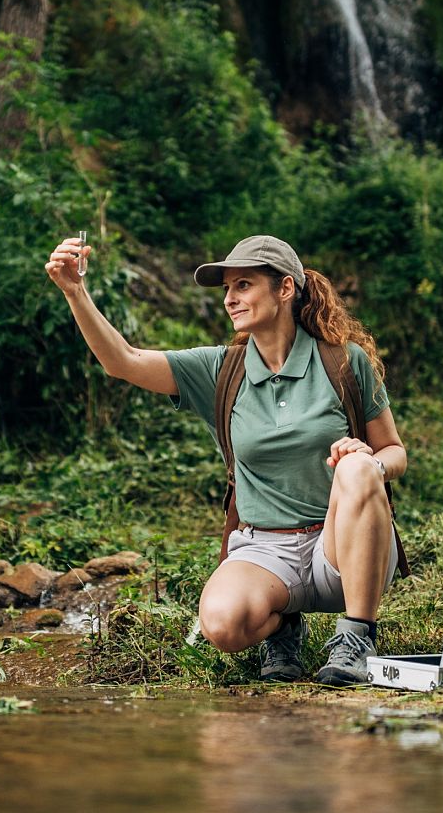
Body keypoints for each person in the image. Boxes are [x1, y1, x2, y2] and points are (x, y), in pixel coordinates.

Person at [45, 234, 406, 685]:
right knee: (221, 623)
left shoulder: (343, 362)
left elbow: (395, 451)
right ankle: (283, 626)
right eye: (227, 290)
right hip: (265, 549)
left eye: (244, 285)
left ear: (285, 289)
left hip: (343, 548)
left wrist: (369, 461)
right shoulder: (220, 369)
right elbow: (124, 361)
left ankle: (356, 636)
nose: (231, 299)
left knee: (356, 466)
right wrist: (74, 292)